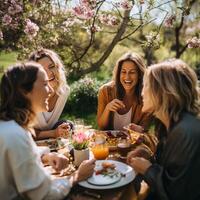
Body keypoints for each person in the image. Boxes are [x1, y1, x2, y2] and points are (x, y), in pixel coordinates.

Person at [0, 62, 95, 200]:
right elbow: (46, 196)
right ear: (24, 91)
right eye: (44, 84)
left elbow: (17, 154)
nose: (50, 90)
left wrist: (46, 156)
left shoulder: (10, 126)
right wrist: (77, 176)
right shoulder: (16, 135)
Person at [127, 59, 200, 200]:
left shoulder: (185, 131)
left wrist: (147, 169)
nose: (142, 92)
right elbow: (173, 170)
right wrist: (149, 157)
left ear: (161, 91)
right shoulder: (168, 124)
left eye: (146, 86)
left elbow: (176, 193)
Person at [97, 52, 152, 131]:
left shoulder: (147, 97)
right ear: (118, 73)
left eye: (132, 72)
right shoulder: (105, 91)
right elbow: (101, 127)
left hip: (132, 143)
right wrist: (107, 109)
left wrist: (140, 129)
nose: (127, 77)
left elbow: (144, 129)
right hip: (108, 142)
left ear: (139, 74)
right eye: (123, 72)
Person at [29, 49, 71, 139]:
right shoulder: (29, 96)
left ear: (58, 67)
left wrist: (59, 131)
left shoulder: (64, 91)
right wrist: (53, 133)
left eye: (51, 66)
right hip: (28, 142)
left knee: (69, 125)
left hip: (48, 138)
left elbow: (49, 126)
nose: (50, 73)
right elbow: (24, 132)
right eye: (42, 70)